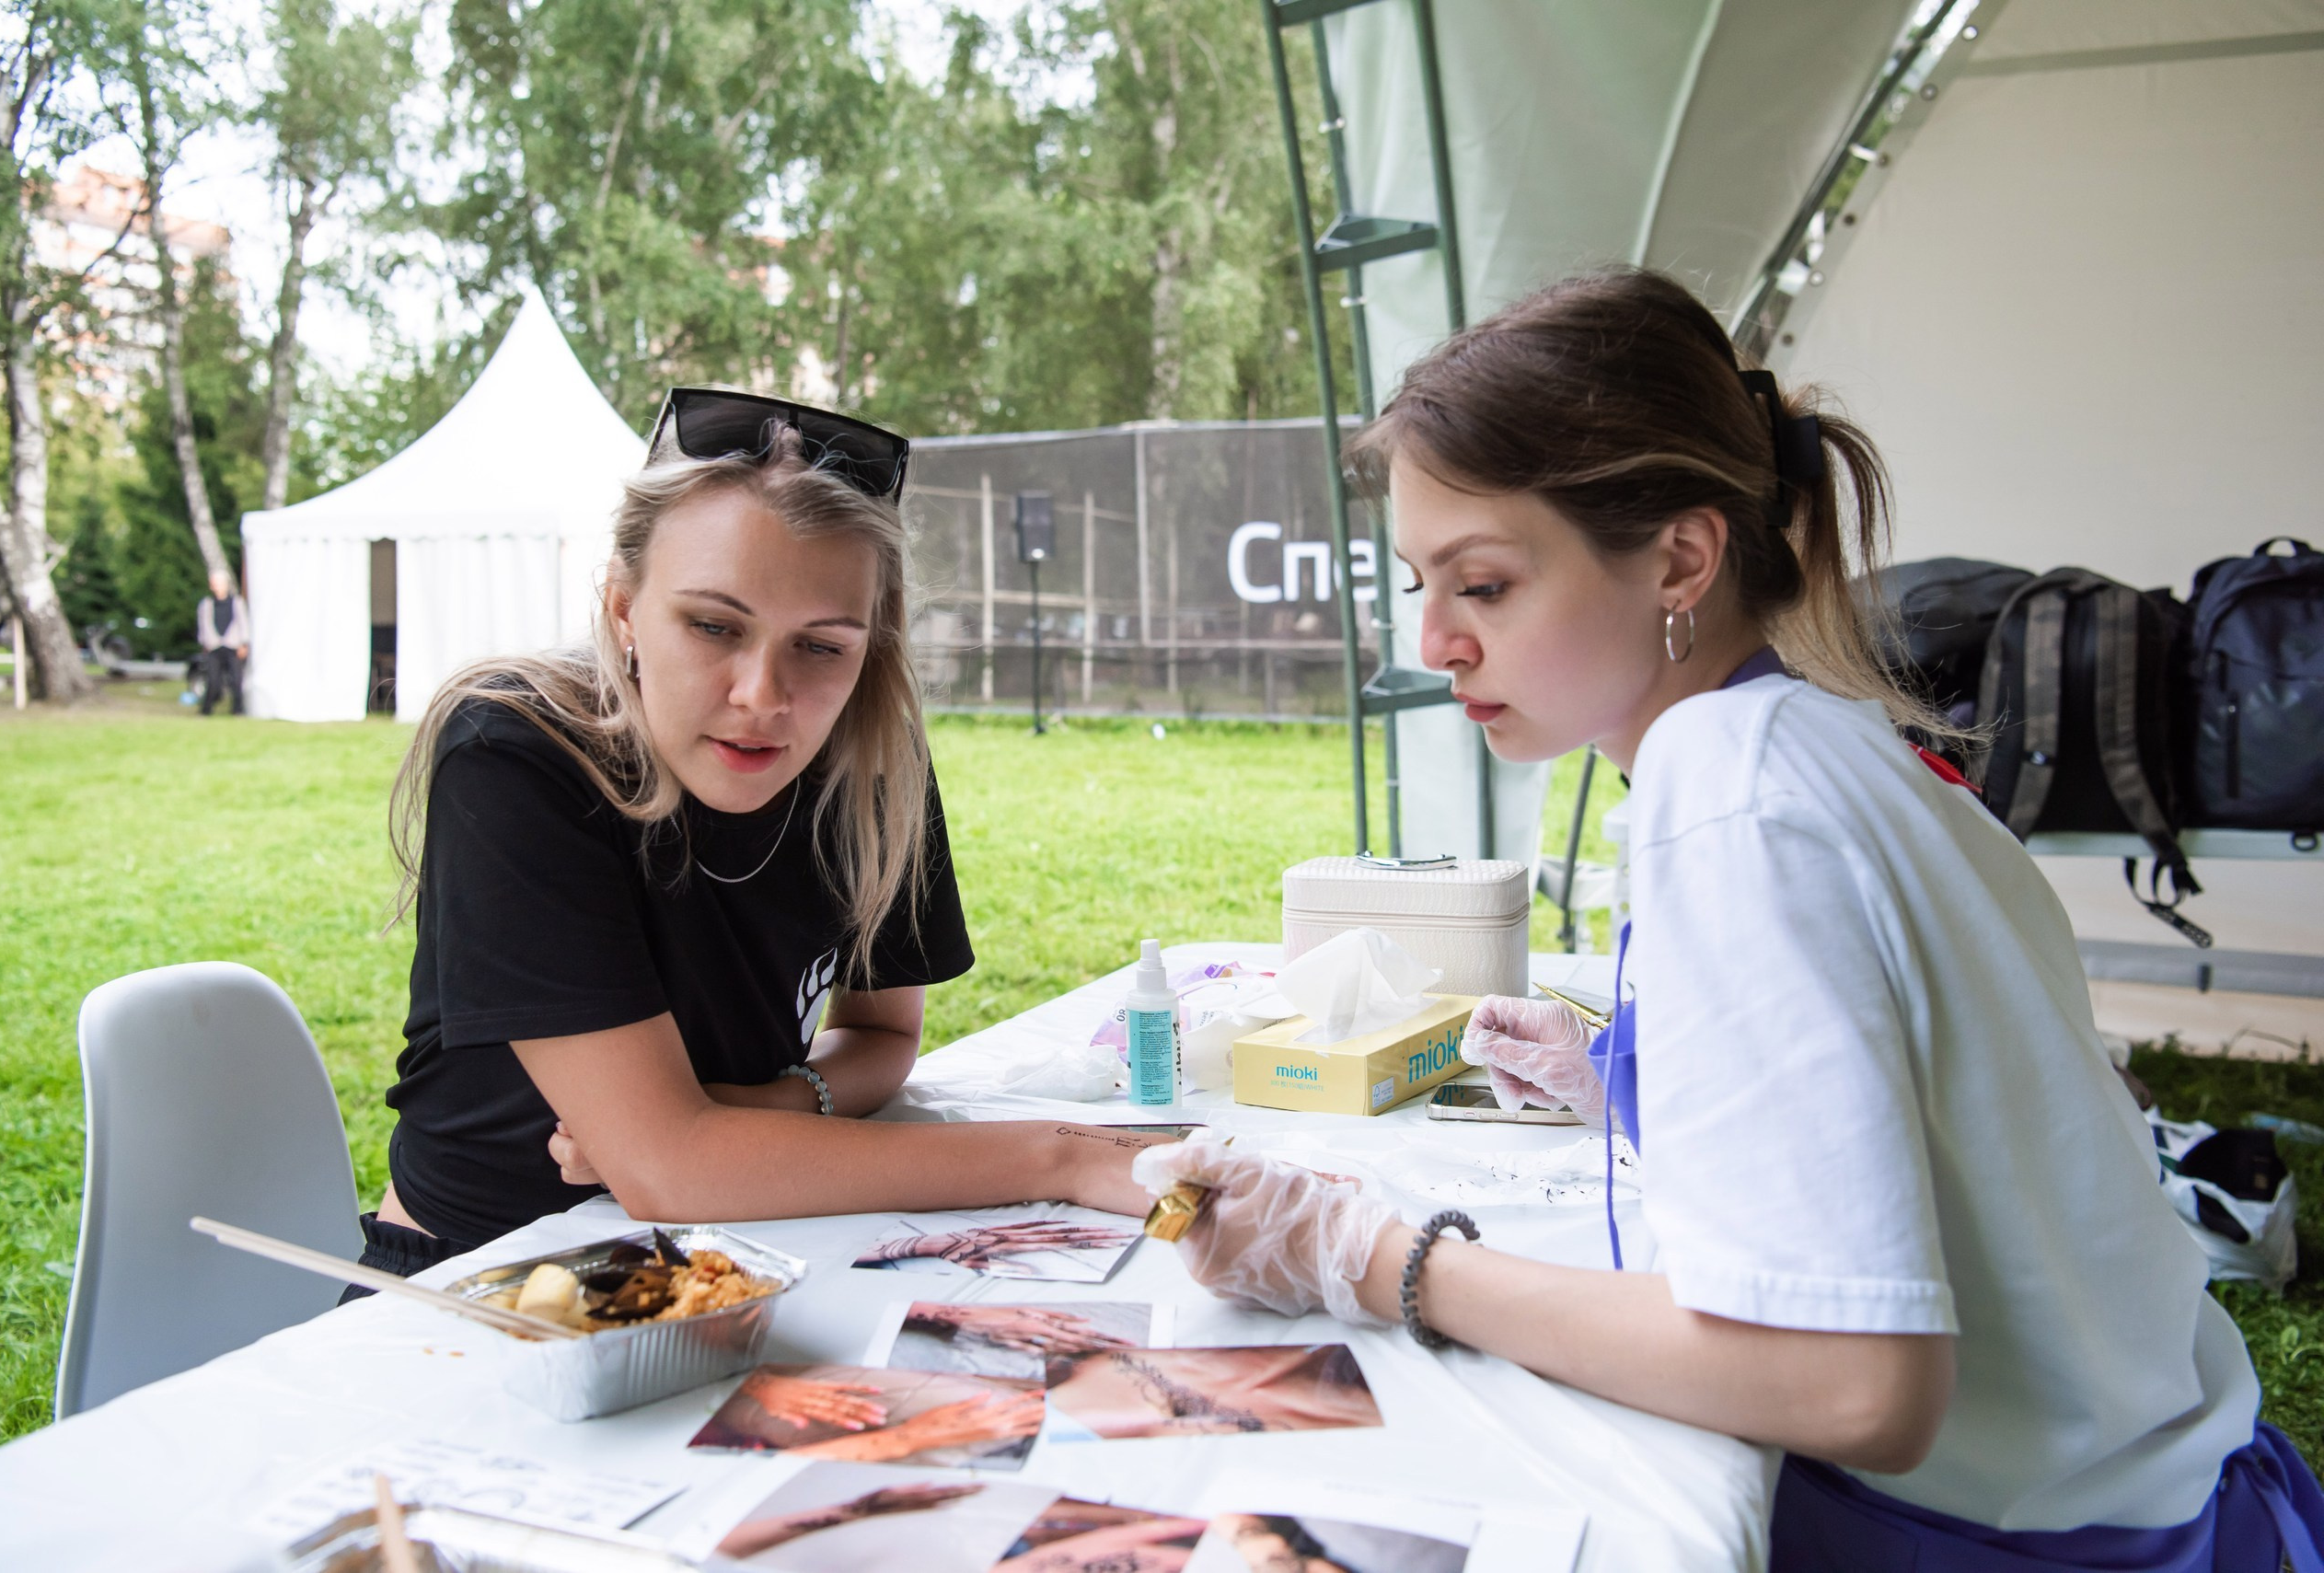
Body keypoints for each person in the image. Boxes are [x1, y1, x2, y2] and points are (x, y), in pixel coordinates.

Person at [1137, 270, 2324, 1569]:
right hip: (2161, 1472)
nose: (1436, 642)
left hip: (2025, 1536)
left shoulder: (1726, 787)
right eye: (1423, 583)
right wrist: (1642, 1082)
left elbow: (1852, 1385)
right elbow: (1972, 1098)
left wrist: (1377, 1257)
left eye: (1482, 585)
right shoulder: (1825, 736)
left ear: (1681, 559)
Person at [357, 388, 1162, 1287]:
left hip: (746, 1260)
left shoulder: (869, 754)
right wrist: (1062, 1155)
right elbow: (668, 1166)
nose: (763, 695)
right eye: (713, 625)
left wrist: (774, 1104)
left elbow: (883, 1032)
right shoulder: (519, 752)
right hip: (485, 1283)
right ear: (624, 608)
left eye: (821, 646)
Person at [195, 570, 249, 715]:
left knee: (236, 680)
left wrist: (244, 643)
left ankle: (237, 710)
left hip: (233, 645)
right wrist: (205, 643)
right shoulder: (207, 604)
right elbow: (203, 625)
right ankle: (206, 710)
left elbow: (243, 623)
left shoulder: (236, 603)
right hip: (214, 646)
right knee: (213, 681)